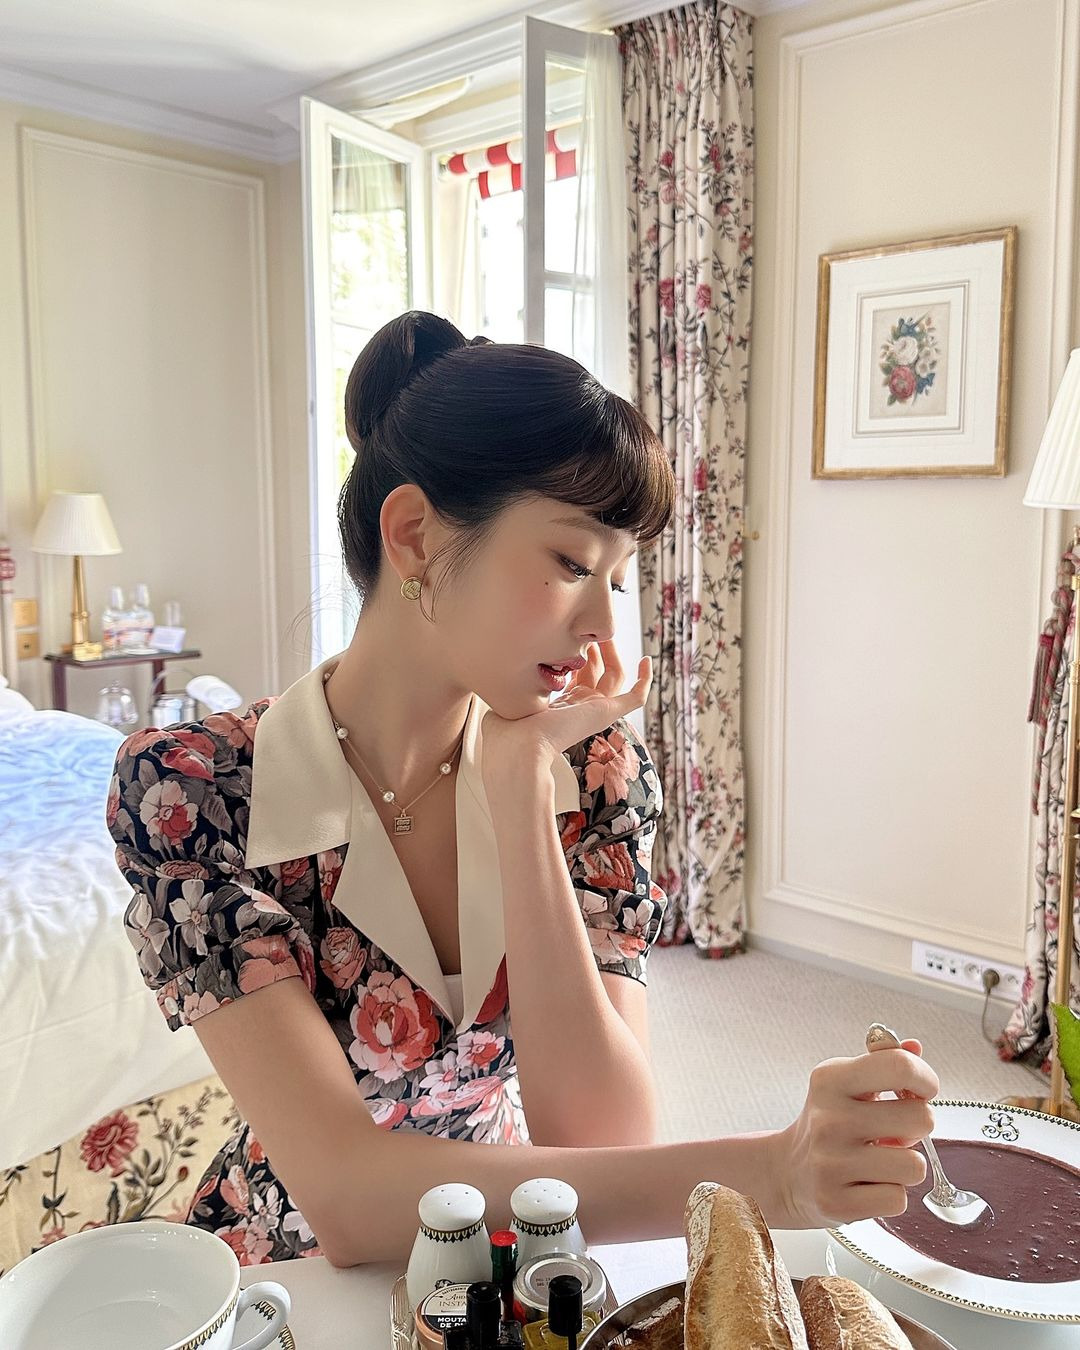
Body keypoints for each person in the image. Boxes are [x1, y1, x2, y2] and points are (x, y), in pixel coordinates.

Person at [107, 311, 937, 1268]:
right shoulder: (193, 790)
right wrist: (772, 1174)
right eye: (573, 564)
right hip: (288, 1274)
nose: (601, 626)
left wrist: (518, 797)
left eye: (615, 580)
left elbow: (603, 1141)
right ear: (415, 536)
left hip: (522, 1247)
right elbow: (344, 1195)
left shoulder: (590, 770)